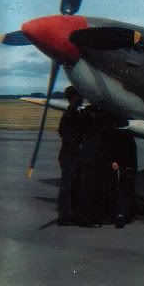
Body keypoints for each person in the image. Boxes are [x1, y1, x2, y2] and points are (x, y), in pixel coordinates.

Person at [74, 105, 114, 227]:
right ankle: (89, 218)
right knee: (92, 190)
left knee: (89, 190)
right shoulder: (98, 125)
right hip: (94, 162)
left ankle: (88, 218)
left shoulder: (88, 123)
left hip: (90, 161)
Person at [57, 86, 84, 225]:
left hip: (70, 154)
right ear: (74, 98)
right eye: (80, 96)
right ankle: (64, 216)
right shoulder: (70, 115)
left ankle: (69, 213)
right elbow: (64, 134)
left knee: (72, 185)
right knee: (67, 186)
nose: (82, 98)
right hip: (70, 155)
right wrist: (78, 143)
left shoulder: (73, 113)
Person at [110, 129, 137, 228]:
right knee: (124, 188)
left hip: (127, 160)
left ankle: (122, 214)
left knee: (124, 188)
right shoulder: (126, 136)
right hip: (126, 161)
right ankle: (122, 214)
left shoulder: (123, 136)